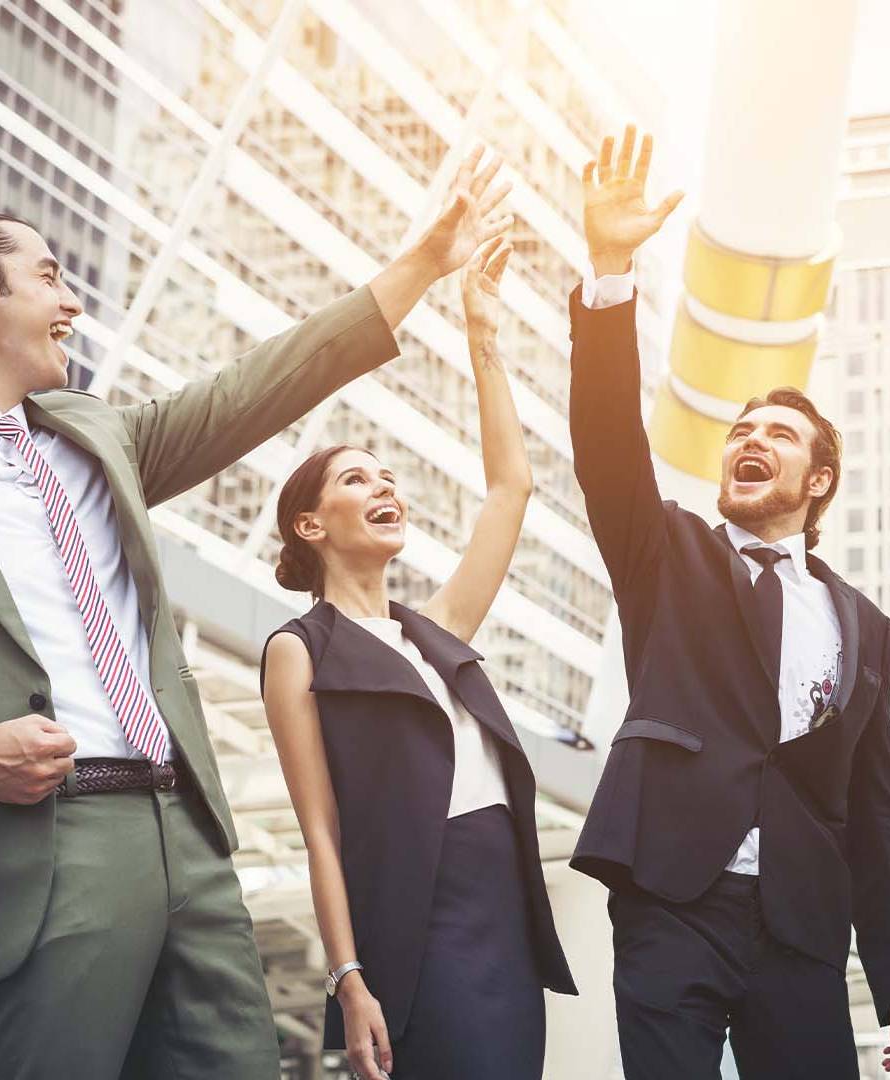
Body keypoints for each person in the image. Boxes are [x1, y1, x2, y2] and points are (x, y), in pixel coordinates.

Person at [0, 147, 511, 1078]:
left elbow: (264, 384)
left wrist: (421, 262)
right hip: (45, 850)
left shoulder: (98, 436)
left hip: (189, 834)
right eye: (50, 277)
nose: (72, 302)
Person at [566, 126, 890, 1079]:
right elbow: (608, 447)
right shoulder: (667, 552)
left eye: (776, 432)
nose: (748, 440)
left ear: (819, 481)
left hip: (801, 927)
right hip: (671, 898)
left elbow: (875, 806)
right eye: (741, 429)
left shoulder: (866, 628)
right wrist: (610, 271)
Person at [260, 235, 575, 1080]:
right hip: (412, 921)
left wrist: (484, 341)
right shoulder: (297, 651)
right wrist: (347, 977)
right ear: (311, 525)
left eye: (389, 476)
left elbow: (512, 490)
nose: (386, 488)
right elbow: (320, 831)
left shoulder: (438, 629)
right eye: (359, 480)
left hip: (502, 906)